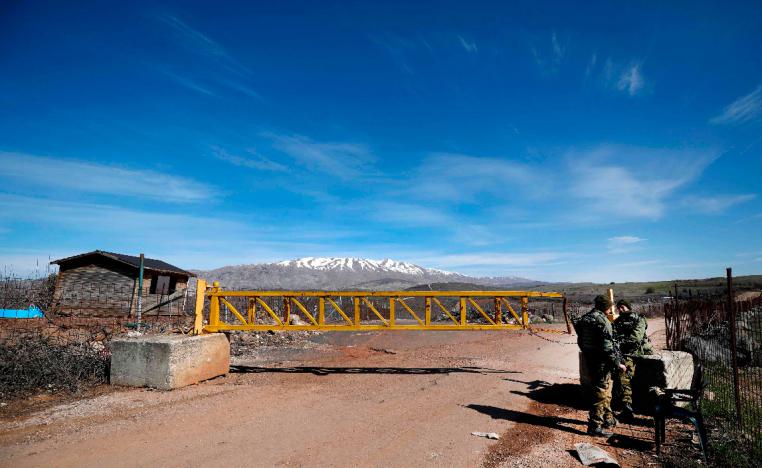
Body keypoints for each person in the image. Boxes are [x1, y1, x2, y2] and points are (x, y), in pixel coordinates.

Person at [574, 295, 626, 437]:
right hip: (602, 362)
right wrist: (618, 364)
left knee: (606, 390)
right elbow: (608, 348)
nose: (613, 309)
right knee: (601, 393)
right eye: (611, 306)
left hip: (591, 359)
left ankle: (608, 419)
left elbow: (580, 341)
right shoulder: (602, 321)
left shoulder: (585, 318)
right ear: (606, 307)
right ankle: (595, 426)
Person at [613, 299, 654, 420]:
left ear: (628, 307)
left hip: (637, 352)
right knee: (623, 376)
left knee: (626, 376)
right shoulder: (618, 321)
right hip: (625, 353)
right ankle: (626, 406)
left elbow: (635, 338)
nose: (620, 310)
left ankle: (629, 407)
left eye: (622, 307)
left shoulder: (639, 319)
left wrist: (620, 342)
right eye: (618, 307)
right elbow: (613, 336)